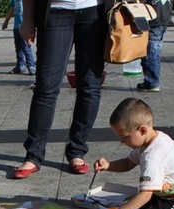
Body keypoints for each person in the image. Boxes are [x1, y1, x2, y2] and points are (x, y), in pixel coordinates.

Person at [12, 0, 107, 179]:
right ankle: (34, 155)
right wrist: (27, 19)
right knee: (46, 88)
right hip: (55, 10)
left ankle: (77, 151)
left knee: (90, 87)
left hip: (95, 11)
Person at [137, 0, 173, 92]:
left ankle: (152, 82)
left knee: (151, 52)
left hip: (153, 20)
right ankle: (151, 81)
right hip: (164, 19)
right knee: (155, 50)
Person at [2, 0, 36, 75]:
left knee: (26, 47)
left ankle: (31, 65)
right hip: (17, 27)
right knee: (18, 48)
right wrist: (6, 21)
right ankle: (20, 65)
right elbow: (11, 10)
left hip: (25, 27)